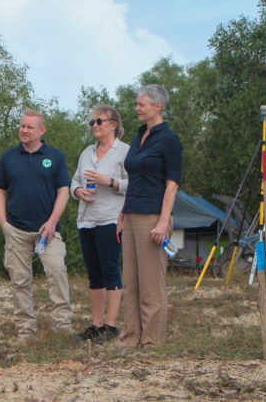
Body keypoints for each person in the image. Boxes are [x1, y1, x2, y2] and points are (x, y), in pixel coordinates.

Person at [0, 110, 73, 342]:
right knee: (20, 280)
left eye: (30, 127)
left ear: (42, 130)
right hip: (16, 229)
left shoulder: (55, 156)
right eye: (22, 126)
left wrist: (52, 221)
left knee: (57, 272)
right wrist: (3, 223)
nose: (24, 130)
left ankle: (63, 326)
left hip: (47, 231)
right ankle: (26, 331)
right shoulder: (8, 157)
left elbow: (63, 191)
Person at [117, 85, 182, 347]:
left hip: (152, 216)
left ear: (158, 106)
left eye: (141, 104)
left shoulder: (168, 139)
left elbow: (172, 184)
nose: (136, 108)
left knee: (151, 284)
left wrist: (163, 221)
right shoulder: (138, 136)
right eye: (137, 103)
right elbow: (133, 178)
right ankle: (130, 337)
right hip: (132, 213)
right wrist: (123, 213)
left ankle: (151, 341)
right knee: (131, 281)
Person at [70, 105, 129, 343]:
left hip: (111, 217)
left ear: (113, 125)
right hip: (87, 219)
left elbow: (135, 185)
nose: (94, 125)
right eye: (92, 122)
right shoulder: (87, 152)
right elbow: (74, 180)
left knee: (110, 269)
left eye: (99, 121)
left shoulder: (125, 152)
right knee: (94, 273)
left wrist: (111, 181)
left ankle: (111, 326)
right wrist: (78, 191)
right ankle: (95, 324)